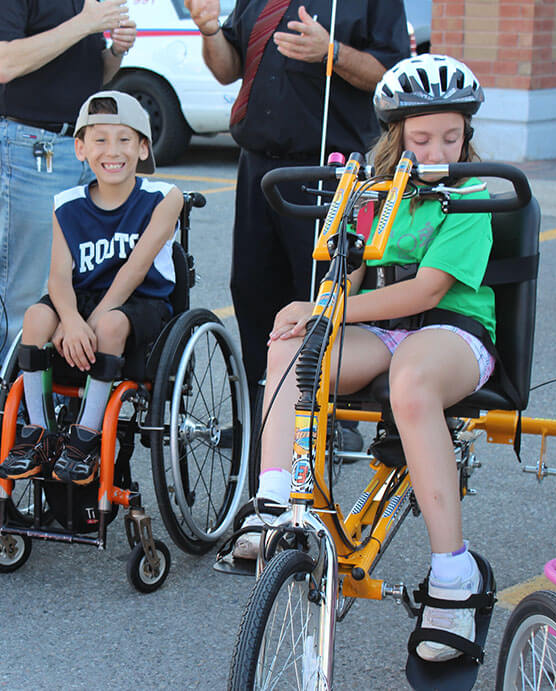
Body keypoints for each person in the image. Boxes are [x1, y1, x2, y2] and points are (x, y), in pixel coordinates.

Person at [234, 54, 496, 664]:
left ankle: (452, 575)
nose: (436, 149)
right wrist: (315, 305)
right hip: (384, 332)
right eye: (422, 136)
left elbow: (427, 292)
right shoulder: (377, 191)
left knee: (409, 382)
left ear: (467, 134)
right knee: (287, 338)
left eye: (450, 136)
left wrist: (336, 312)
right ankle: (273, 500)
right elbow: (349, 272)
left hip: (452, 334)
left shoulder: (474, 193)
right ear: (397, 135)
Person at [186, 0, 409, 449]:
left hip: (330, 166)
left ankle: (328, 421)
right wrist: (209, 32)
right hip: (259, 165)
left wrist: (333, 52)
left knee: (320, 294)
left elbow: (391, 76)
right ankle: (261, 418)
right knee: (253, 292)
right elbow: (229, 68)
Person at [0, 91, 181, 485]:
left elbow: (135, 268)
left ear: (143, 148)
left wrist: (86, 324)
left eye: (125, 139)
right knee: (34, 316)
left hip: (142, 301)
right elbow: (58, 277)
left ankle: (87, 437)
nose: (112, 151)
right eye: (99, 140)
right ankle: (39, 433)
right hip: (82, 299)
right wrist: (69, 319)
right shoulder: (67, 203)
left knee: (111, 325)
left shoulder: (164, 197)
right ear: (80, 148)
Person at [0, 0, 137, 368]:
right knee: (24, 283)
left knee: (80, 276)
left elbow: (94, 77)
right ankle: (2, 407)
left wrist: (115, 50)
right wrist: (85, 23)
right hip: (31, 144)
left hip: (80, 144)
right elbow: (4, 63)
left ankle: (48, 399)